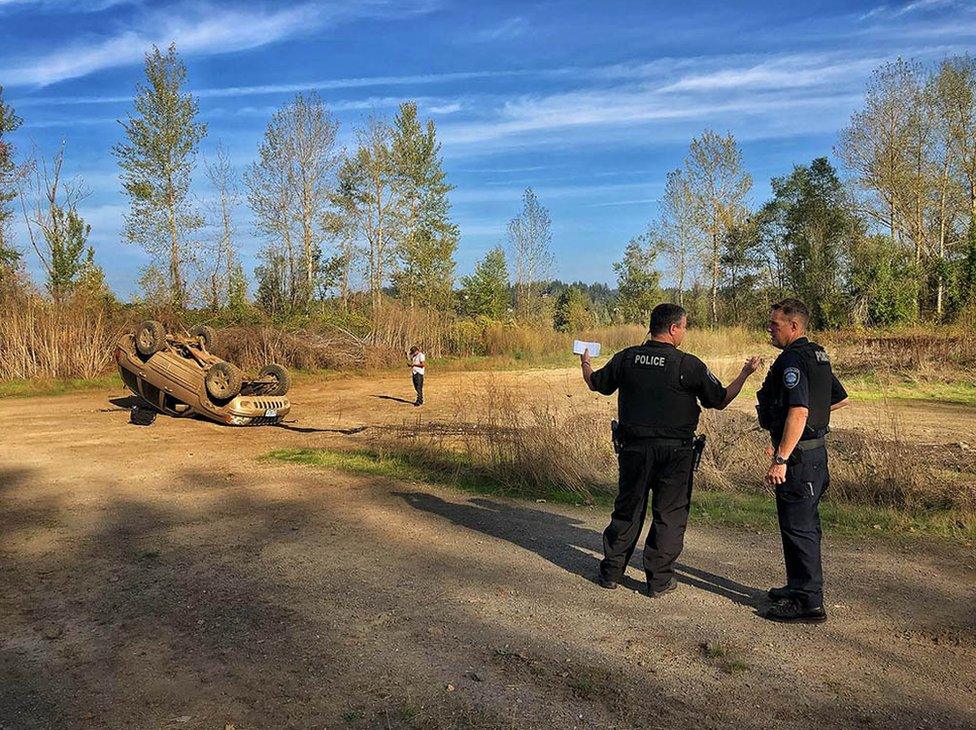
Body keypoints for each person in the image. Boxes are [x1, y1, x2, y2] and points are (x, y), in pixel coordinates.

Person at [581, 303, 761, 598]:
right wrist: (745, 373)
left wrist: (585, 363)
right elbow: (720, 399)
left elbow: (595, 383)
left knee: (628, 509)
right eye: (684, 328)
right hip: (676, 454)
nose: (684, 334)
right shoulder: (688, 364)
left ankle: (611, 573)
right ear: (673, 328)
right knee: (669, 514)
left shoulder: (627, 358)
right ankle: (659, 581)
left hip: (634, 450)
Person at [756, 298, 849, 624]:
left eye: (775, 324)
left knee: (799, 528)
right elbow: (839, 399)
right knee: (802, 525)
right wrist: (799, 435)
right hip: (813, 454)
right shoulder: (818, 356)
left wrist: (782, 455)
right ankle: (798, 587)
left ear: (793, 326)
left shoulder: (793, 361)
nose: (770, 328)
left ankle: (808, 602)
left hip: (798, 462)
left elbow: (799, 410)